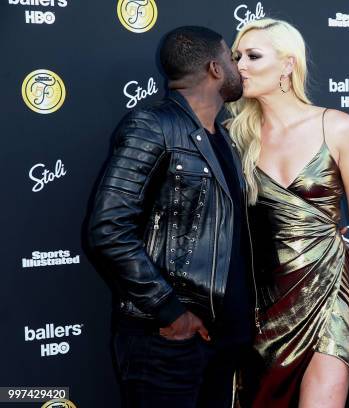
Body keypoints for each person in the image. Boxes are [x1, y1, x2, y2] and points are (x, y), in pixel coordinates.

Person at [226, 18, 349, 408]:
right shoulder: (235, 136)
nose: (240, 66)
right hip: (265, 303)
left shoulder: (337, 127)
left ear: (287, 65)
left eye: (252, 56)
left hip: (329, 291)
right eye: (236, 57)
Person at [88, 26, 254, 408]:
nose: (237, 67)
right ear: (215, 68)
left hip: (223, 338)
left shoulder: (223, 137)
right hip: (167, 341)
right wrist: (169, 310)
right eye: (232, 58)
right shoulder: (153, 126)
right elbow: (108, 228)